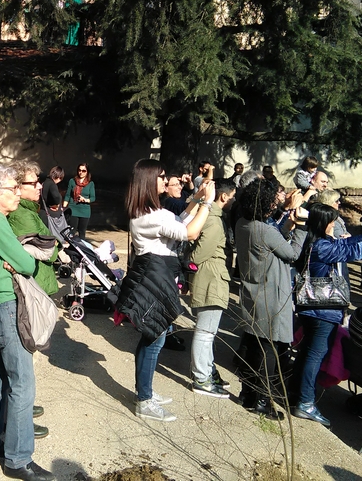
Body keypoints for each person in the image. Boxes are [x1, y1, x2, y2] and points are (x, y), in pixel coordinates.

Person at [0, 165, 55, 481]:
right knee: (22, 383)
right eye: (12, 188)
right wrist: (21, 259)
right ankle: (18, 460)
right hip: (7, 306)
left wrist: (17, 259)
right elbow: (27, 264)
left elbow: (17, 262)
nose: (18, 192)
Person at [115, 159, 214, 422]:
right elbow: (190, 232)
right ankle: (144, 399)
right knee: (154, 337)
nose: (166, 180)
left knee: (154, 336)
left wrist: (196, 198)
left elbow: (179, 219)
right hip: (154, 276)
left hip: (159, 273)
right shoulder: (149, 216)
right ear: (149, 181)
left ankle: (144, 392)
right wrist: (207, 202)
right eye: (161, 177)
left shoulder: (152, 211)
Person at [290, 203, 362, 427]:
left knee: (308, 352)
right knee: (314, 354)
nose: (335, 224)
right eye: (332, 220)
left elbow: (346, 243)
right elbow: (350, 251)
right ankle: (305, 402)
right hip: (322, 310)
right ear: (324, 223)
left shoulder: (316, 242)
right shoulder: (322, 246)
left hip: (314, 309)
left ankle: (297, 394)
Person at [234, 179, 307, 420]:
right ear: (265, 205)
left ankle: (247, 394)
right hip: (271, 297)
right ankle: (263, 401)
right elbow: (292, 254)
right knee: (269, 351)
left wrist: (287, 223)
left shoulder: (244, 224)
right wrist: (301, 226)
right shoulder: (264, 230)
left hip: (254, 293)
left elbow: (273, 241)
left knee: (253, 345)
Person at [188, 178, 236, 398]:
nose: (234, 200)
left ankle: (206, 372)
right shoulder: (214, 221)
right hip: (211, 278)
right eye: (232, 196)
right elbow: (198, 255)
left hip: (210, 278)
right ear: (224, 197)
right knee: (206, 333)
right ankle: (201, 378)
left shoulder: (211, 216)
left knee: (208, 332)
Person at [8, 161, 59, 295]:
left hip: (39, 281)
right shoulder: (21, 215)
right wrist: (54, 246)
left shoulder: (28, 211)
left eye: (39, 181)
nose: (40, 186)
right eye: (33, 183)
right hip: (35, 284)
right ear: (17, 186)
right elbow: (49, 252)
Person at [63, 163, 95, 240]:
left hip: (85, 211)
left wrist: (85, 200)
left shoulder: (90, 183)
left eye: (84, 171)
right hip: (73, 209)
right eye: (79, 170)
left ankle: (81, 249)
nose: (81, 172)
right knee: (72, 231)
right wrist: (63, 207)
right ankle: (71, 248)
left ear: (87, 172)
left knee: (82, 232)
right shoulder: (72, 181)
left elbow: (93, 198)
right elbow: (67, 195)